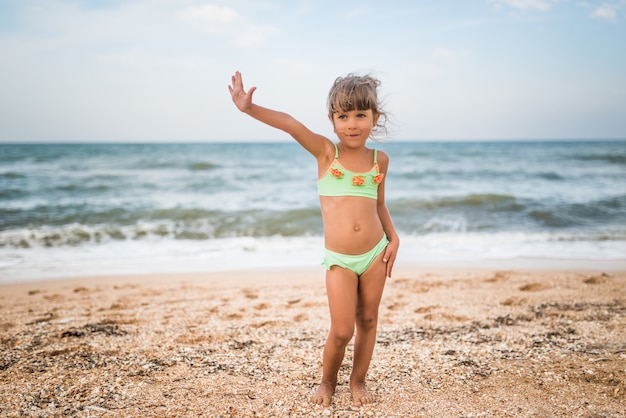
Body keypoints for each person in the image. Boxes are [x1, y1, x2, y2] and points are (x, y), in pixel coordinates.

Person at [228, 71, 399, 407]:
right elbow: (291, 124)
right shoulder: (325, 153)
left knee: (368, 320)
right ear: (332, 120)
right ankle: (327, 382)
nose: (352, 124)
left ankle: (358, 380)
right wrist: (250, 109)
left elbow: (379, 204)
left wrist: (394, 239)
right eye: (343, 116)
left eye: (361, 116)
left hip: (376, 253)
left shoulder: (380, 160)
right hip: (340, 260)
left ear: (374, 118)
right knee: (341, 330)